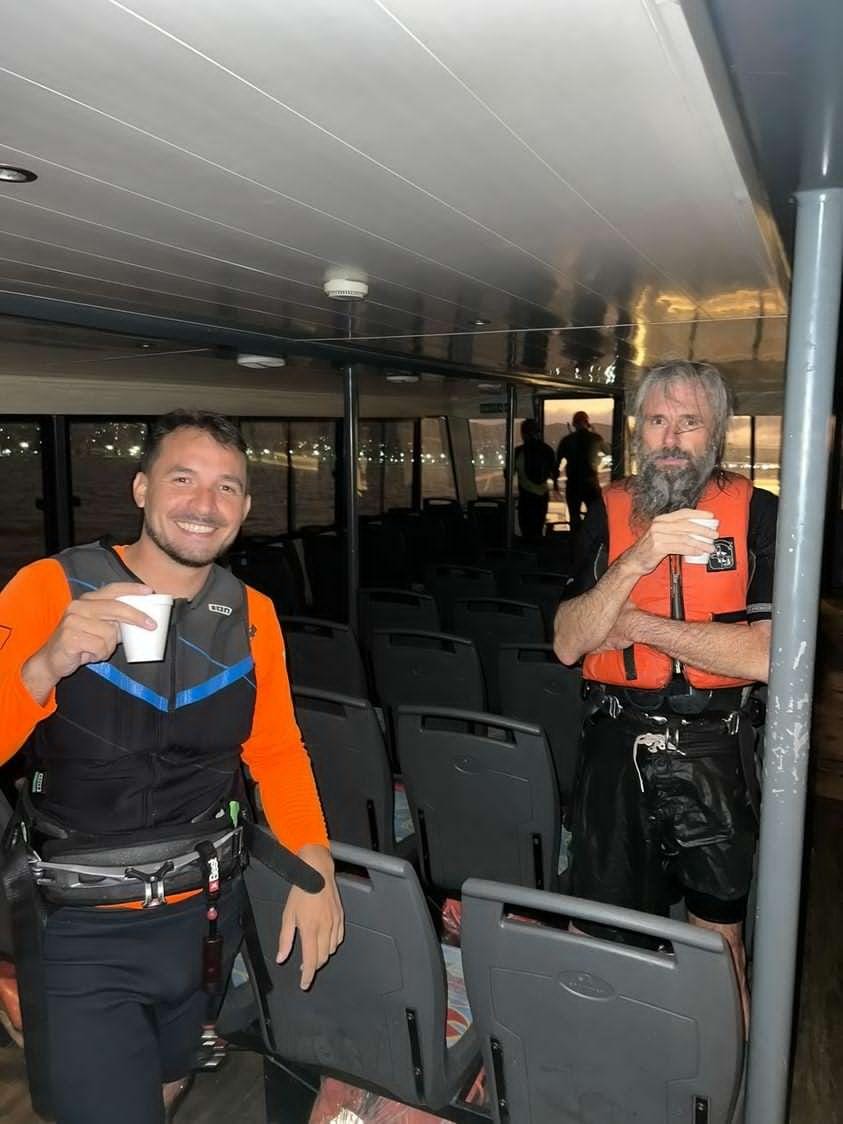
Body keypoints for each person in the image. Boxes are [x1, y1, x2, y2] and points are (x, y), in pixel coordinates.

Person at [0, 410, 343, 1123]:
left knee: (164, 1087)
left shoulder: (253, 614)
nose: (202, 504)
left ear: (244, 509)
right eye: (182, 478)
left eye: (226, 487)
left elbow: (275, 750)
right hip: (79, 927)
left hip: (205, 920)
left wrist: (317, 873)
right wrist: (45, 666)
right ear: (139, 487)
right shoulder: (46, 588)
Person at [553, 361, 776, 1030]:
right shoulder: (608, 510)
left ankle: (724, 1084)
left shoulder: (758, 513)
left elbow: (765, 656)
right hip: (613, 749)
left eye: (689, 421)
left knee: (718, 942)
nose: (671, 437)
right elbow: (568, 641)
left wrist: (633, 623)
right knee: (606, 935)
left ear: (715, 433)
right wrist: (640, 556)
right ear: (637, 431)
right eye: (657, 421)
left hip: (715, 750)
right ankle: (623, 1064)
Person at [556, 410, 607, 531]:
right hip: (591, 483)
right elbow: (608, 452)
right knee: (595, 517)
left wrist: (555, 485)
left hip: (573, 484)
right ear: (587, 422)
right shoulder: (596, 438)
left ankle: (576, 543)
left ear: (574, 424)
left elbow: (557, 464)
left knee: (574, 518)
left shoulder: (567, 440)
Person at [513, 418, 559, 543]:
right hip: (542, 496)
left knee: (526, 530)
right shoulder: (547, 450)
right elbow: (555, 472)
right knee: (538, 529)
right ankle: (537, 556)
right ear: (537, 433)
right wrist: (555, 487)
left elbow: (509, 474)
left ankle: (527, 555)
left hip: (526, 497)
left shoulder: (518, 452)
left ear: (523, 434)